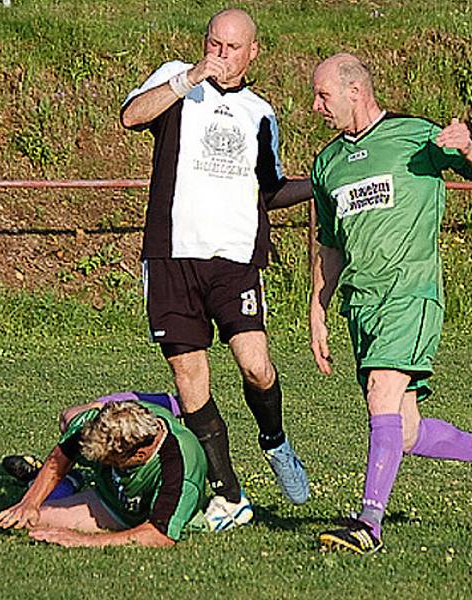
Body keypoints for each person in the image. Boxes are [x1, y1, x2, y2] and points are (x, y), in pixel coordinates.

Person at [308, 53, 472, 554]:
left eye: (323, 95)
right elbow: (330, 248)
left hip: (410, 295)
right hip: (362, 304)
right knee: (404, 431)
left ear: (355, 92)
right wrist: (317, 309)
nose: (316, 105)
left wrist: (470, 149)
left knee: (381, 397)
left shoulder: (415, 137)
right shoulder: (327, 164)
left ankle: (368, 525)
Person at [119, 7, 312, 531]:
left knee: (256, 365)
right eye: (213, 44)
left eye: (231, 48)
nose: (219, 56)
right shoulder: (176, 79)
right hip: (173, 254)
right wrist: (188, 78)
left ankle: (274, 441)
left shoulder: (261, 113)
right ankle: (230, 495)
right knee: (190, 378)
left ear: (253, 53)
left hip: (235, 259)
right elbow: (131, 116)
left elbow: (270, 190)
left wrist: (319, 182)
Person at [0, 397, 208, 547]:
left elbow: (160, 536)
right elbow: (62, 454)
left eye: (109, 461)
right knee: (24, 521)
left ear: (140, 455)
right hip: (109, 496)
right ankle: (67, 482)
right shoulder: (105, 423)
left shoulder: (181, 466)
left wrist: (83, 541)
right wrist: (29, 503)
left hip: (129, 515)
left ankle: (66, 486)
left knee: (38, 525)